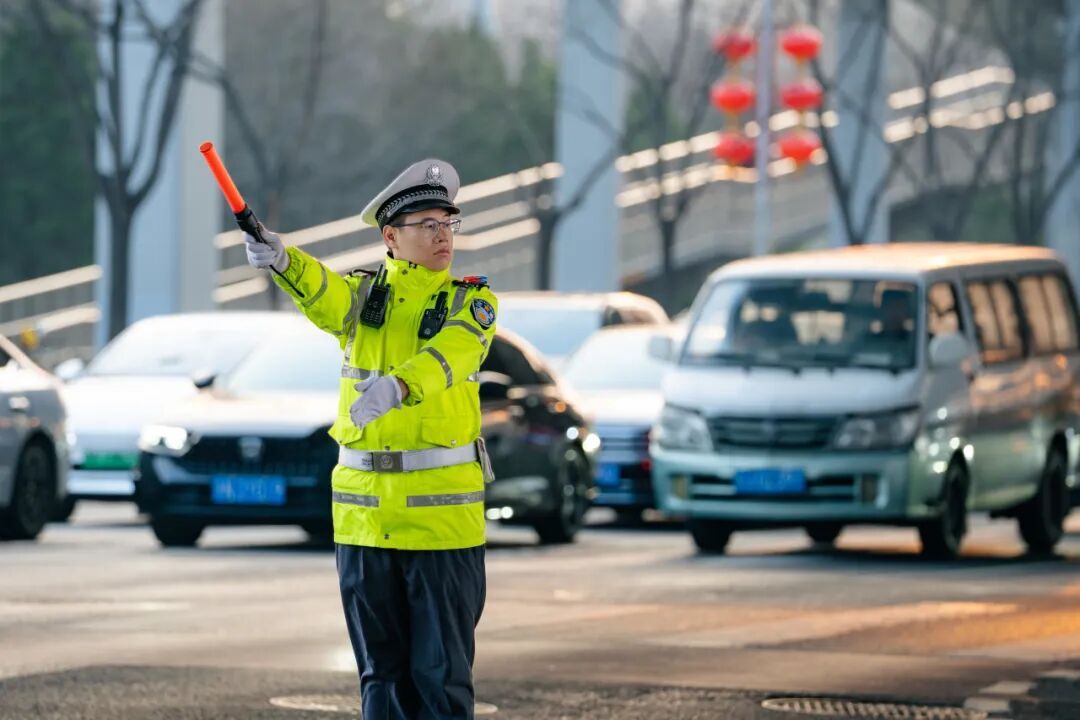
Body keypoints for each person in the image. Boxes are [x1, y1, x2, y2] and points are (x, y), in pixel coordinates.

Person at [243, 159, 497, 720]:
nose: (442, 236)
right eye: (427, 224)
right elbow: (324, 294)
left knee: (441, 682)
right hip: (363, 524)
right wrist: (284, 260)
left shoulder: (469, 300)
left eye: (447, 223)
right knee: (380, 682)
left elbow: (452, 353)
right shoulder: (363, 299)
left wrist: (399, 385)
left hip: (441, 529)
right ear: (391, 236)